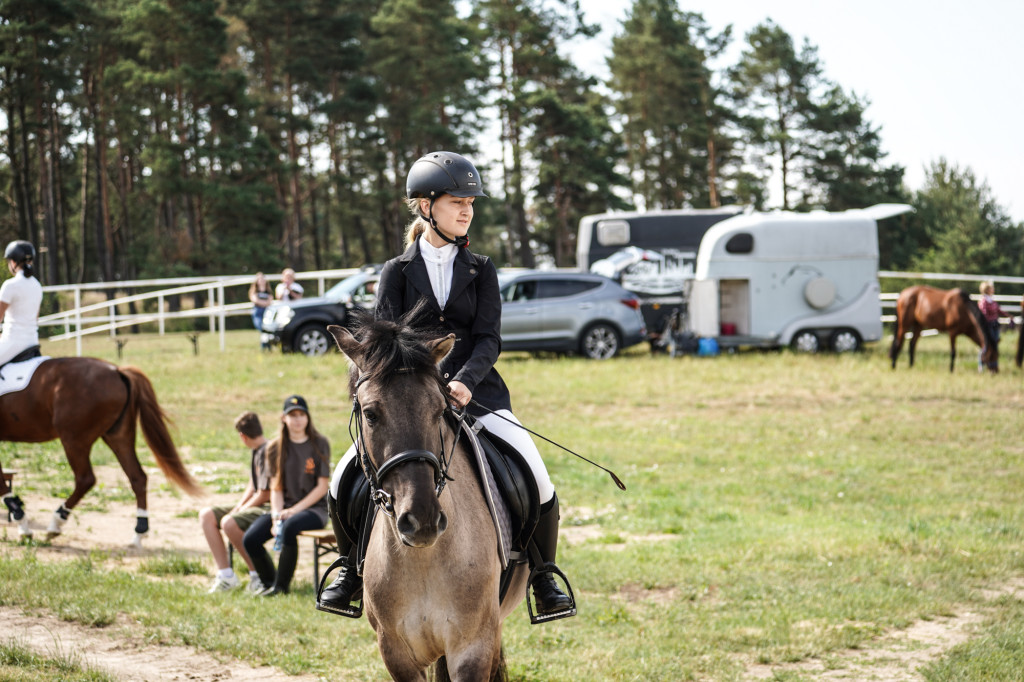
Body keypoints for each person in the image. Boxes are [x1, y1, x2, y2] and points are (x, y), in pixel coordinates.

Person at [318, 151, 573, 619]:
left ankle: (543, 577)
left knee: (538, 476)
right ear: (425, 206)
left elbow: (489, 338)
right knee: (342, 478)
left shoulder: (483, 268)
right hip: (411, 402)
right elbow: (385, 341)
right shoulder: (396, 271)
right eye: (457, 202)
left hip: (478, 395)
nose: (466, 211)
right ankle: (349, 571)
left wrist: (465, 383)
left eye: (470, 204)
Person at [242, 395, 330, 597]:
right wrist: (275, 516)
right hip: (283, 509)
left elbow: (321, 487)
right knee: (251, 539)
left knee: (290, 527)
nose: (298, 419)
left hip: (313, 510)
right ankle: (269, 582)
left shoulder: (319, 444)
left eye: (301, 415)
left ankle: (282, 587)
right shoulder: (274, 447)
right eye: (292, 415)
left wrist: (292, 511)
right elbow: (276, 487)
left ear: (308, 418)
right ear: (284, 418)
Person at [199, 412, 272, 594]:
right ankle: (226, 575)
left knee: (229, 522)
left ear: (242, 436)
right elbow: (252, 485)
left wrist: (240, 511)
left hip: (269, 507)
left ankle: (257, 575)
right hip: (256, 504)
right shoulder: (257, 450)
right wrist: (239, 507)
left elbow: (265, 494)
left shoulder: (268, 451)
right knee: (207, 515)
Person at [0, 240, 43, 368]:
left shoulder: (10, 285)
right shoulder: (37, 285)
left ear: (13, 262)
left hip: (12, 343)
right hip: (32, 342)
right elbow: (35, 319)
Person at [978, 281, 1011, 371]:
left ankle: (993, 365)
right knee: (987, 345)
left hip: (994, 325)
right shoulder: (983, 301)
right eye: (991, 288)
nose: (993, 289)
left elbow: (999, 310)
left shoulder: (992, 300)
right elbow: (983, 313)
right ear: (987, 290)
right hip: (988, 326)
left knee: (995, 345)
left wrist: (1008, 316)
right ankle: (982, 363)